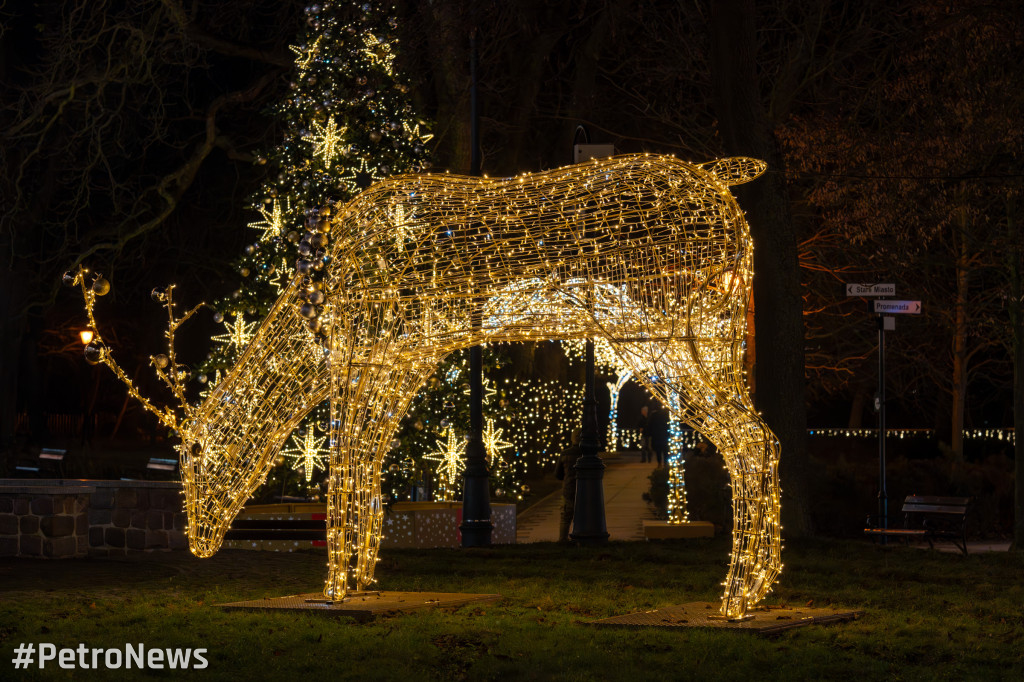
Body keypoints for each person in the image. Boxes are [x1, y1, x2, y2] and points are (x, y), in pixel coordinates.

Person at [555, 428, 582, 542]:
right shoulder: (586, 454)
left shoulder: (564, 454)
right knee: (581, 516)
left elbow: (558, 474)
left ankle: (563, 539)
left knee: (565, 516)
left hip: (568, 489)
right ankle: (580, 539)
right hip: (583, 490)